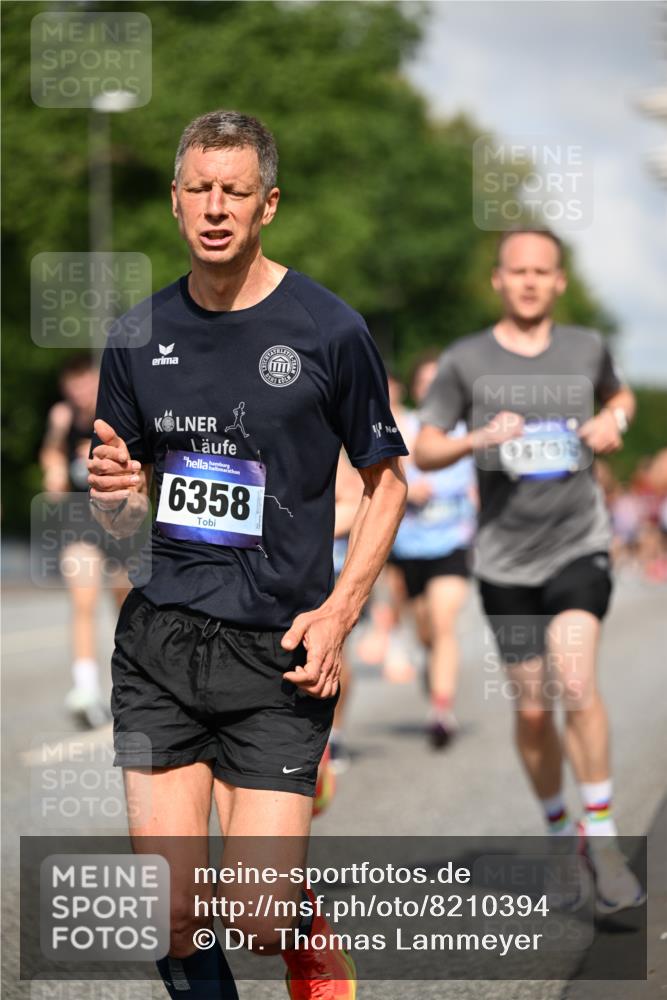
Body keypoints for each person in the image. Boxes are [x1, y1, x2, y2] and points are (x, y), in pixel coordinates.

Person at [87, 110, 407, 999]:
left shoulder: (327, 329)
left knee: (257, 915)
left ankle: (301, 927)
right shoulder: (135, 335)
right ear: (175, 203)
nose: (216, 208)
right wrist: (112, 497)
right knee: (176, 914)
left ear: (268, 204)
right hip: (160, 644)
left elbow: (387, 483)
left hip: (279, 652)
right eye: (200, 189)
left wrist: (339, 613)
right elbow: (123, 510)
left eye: (235, 191)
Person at [414, 227, 645, 914]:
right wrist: (475, 439)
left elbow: (620, 397)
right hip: (506, 562)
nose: (528, 281)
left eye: (541, 271)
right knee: (534, 706)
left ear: (558, 281)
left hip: (578, 543)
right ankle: (557, 834)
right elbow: (423, 449)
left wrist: (614, 422)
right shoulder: (465, 360)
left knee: (574, 680)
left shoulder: (585, 348)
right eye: (516, 271)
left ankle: (600, 837)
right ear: (498, 280)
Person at [389, 351, 476, 748]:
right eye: (427, 382)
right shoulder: (401, 427)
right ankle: (432, 668)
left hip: (452, 542)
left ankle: (441, 710)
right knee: (424, 630)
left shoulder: (467, 430)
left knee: (443, 623)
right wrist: (408, 487)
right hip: (408, 547)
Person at [40, 355, 131, 727]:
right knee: (83, 599)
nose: (78, 392)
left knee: (127, 608)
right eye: (71, 385)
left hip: (121, 521)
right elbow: (51, 465)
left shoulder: (117, 409)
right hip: (80, 524)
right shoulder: (62, 419)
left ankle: (131, 683)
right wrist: (56, 457)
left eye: (84, 383)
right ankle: (85, 688)